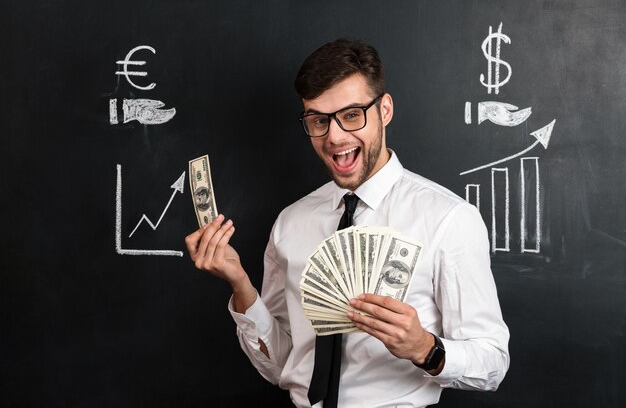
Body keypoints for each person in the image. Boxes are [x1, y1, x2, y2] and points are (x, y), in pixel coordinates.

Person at [185, 38, 510, 408]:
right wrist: (240, 284)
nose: (335, 136)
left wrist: (425, 348)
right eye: (318, 120)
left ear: (384, 110)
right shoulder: (291, 223)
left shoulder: (448, 218)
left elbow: (493, 363)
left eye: (352, 114)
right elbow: (282, 366)